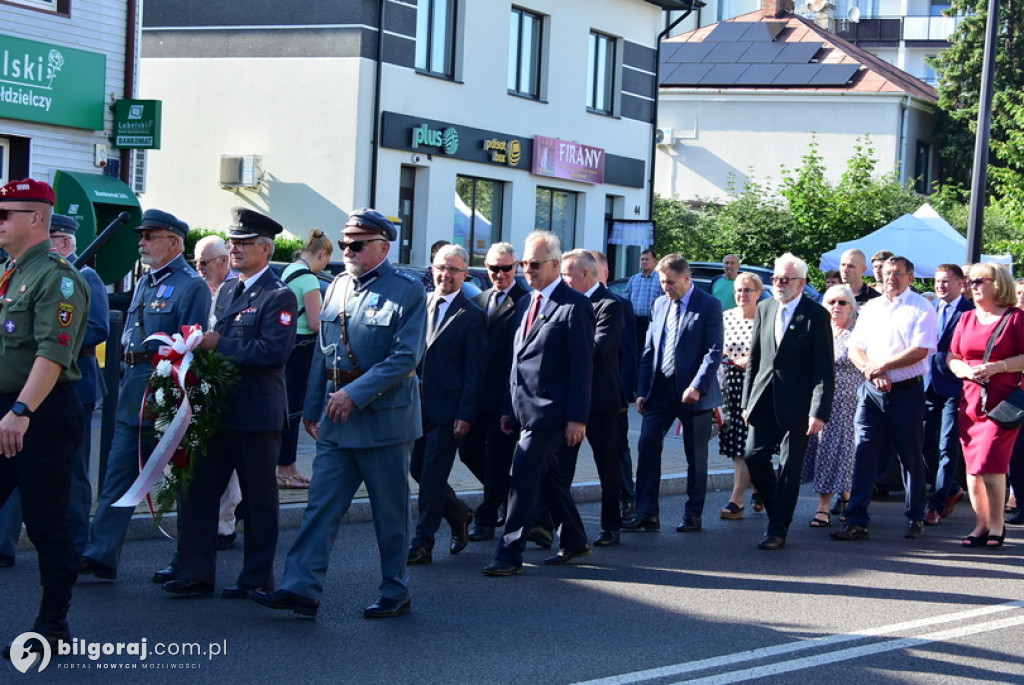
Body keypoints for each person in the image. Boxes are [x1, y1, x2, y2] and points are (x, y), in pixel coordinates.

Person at [252, 209, 425, 618]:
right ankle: (301, 587)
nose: (347, 251)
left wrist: (353, 394)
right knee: (320, 507)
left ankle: (395, 589)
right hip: (336, 418)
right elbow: (322, 353)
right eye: (345, 243)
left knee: (390, 513)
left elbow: (406, 357)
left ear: (383, 247)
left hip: (384, 418)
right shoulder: (337, 286)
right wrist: (313, 406)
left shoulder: (408, 290)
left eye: (357, 244)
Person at [165, 208, 297, 598]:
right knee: (199, 492)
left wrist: (220, 345)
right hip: (218, 412)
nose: (234, 250)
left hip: (256, 414)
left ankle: (256, 578)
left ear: (266, 248)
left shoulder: (279, 294)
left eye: (243, 243)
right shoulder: (229, 291)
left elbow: (272, 352)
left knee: (258, 502)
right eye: (232, 243)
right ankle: (195, 571)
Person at [80, 210, 209, 581]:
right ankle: (100, 554)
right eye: (142, 236)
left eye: (150, 236)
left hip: (167, 393)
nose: (142, 242)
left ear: (174, 242)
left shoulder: (191, 284)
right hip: (133, 389)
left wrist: (174, 398)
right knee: (117, 475)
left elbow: (190, 346)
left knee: (181, 482)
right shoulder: (145, 282)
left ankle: (187, 561)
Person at [0, 179, 89, 657]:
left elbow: (51, 355)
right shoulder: (11, 273)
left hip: (39, 411)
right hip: (8, 410)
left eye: (5, 214)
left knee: (45, 521)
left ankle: (52, 624)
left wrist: (20, 411)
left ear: (37, 219)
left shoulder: (58, 277)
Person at [482, 231, 595, 575]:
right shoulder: (525, 303)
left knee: (523, 475)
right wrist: (508, 406)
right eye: (522, 264)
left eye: (534, 264)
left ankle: (509, 553)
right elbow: (516, 361)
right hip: (522, 408)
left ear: (556, 265)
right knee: (550, 479)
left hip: (552, 411)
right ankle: (574, 539)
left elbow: (582, 367)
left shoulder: (575, 305)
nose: (526, 270)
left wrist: (577, 418)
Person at [0, 214, 108, 567]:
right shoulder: (17, 273)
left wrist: (49, 345)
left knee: (70, 479)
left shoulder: (80, 277)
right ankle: (5, 544)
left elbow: (94, 331)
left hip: (67, 389)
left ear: (66, 242)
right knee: (18, 477)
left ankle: (75, 545)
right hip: (22, 387)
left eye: (59, 237)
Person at [832, 256, 936, 542]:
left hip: (906, 392)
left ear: (911, 278)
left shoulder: (921, 307)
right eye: (888, 273)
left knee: (910, 456)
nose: (891, 277)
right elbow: (856, 347)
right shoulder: (872, 307)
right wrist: (869, 369)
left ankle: (915, 517)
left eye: (898, 273)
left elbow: (920, 350)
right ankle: (856, 519)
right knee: (863, 453)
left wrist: (883, 366)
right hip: (871, 392)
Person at [624, 254, 723, 534]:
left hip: (694, 393)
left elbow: (713, 351)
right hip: (661, 390)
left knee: (696, 455)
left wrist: (697, 385)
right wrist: (642, 391)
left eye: (670, 282)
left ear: (686, 278)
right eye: (662, 282)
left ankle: (693, 513)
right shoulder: (660, 304)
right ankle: (647, 513)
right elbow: (649, 351)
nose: (666, 287)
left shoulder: (709, 305)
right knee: (647, 445)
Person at [742, 254, 834, 550]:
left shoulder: (816, 315)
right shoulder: (765, 308)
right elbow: (755, 357)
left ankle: (777, 529)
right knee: (753, 455)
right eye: (776, 278)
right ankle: (777, 513)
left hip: (798, 405)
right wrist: (746, 402)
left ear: (802, 283)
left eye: (786, 279)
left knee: (789, 468)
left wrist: (818, 412)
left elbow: (823, 368)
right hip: (764, 400)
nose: (779, 284)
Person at [407, 244, 485, 565]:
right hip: (416, 409)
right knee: (418, 470)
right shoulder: (420, 305)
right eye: (441, 267)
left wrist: (466, 414)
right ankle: (459, 514)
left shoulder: (473, 316)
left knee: (433, 477)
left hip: (449, 412)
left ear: (465, 275)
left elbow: (475, 372)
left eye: (454, 270)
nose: (446, 274)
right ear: (432, 269)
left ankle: (422, 542)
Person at [947, 263, 1024, 548]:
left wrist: (999, 366)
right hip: (970, 400)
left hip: (1002, 402)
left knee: (991, 461)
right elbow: (952, 357)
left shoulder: (1016, 318)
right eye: (971, 280)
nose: (974, 285)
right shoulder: (965, 318)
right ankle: (980, 525)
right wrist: (964, 370)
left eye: (981, 280)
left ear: (998, 284)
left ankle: (997, 526)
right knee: (972, 467)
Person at [554, 249, 625, 546]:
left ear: (585, 274)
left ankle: (610, 526)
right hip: (570, 401)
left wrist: (560, 349)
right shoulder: (563, 302)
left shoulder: (610, 305)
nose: (562, 280)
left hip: (601, 403)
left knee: (608, 467)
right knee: (560, 467)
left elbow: (599, 349)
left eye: (567, 274)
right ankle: (560, 527)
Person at [462, 243, 527, 542]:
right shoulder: (480, 298)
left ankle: (485, 518)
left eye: (505, 268)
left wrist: (510, 403)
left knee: (498, 459)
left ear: (516, 267)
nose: (499, 274)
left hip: (506, 397)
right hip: (477, 395)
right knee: (469, 452)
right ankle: (510, 495)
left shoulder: (525, 301)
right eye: (493, 269)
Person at [278, 229, 333, 489]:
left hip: (287, 345)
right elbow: (314, 323)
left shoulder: (289, 270)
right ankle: (284, 472)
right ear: (322, 254)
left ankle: (290, 467)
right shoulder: (310, 280)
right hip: (303, 350)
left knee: (288, 410)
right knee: (295, 411)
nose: (324, 267)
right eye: (326, 261)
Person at [801, 284, 859, 527]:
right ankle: (846, 494)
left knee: (834, 452)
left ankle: (823, 507)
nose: (836, 307)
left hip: (846, 403)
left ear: (851, 309)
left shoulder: (858, 333)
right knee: (825, 451)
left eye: (842, 303)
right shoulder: (819, 330)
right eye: (831, 302)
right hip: (818, 400)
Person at [922, 264, 972, 526]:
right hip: (928, 386)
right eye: (937, 281)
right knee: (924, 444)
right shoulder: (930, 309)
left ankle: (937, 505)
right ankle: (951, 487)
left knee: (947, 447)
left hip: (956, 387)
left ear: (961, 284)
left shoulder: (970, 313)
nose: (940, 286)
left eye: (945, 282)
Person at [592, 251, 639, 522]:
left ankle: (627, 498)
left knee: (617, 448)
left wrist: (624, 394)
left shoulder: (620, 305)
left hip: (612, 392)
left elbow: (628, 353)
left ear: (605, 274)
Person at [717, 272, 763, 520]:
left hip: (756, 387)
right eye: (738, 290)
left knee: (748, 445)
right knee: (737, 446)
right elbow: (716, 349)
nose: (741, 294)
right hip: (731, 387)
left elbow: (773, 351)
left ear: (758, 293)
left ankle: (737, 499)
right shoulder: (726, 318)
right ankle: (758, 489)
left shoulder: (765, 318)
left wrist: (751, 360)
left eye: (747, 290)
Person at [624, 249, 659, 361]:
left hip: (651, 321)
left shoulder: (660, 280)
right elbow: (627, 299)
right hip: (634, 321)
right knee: (634, 353)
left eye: (647, 259)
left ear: (654, 261)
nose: (644, 262)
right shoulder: (634, 279)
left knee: (648, 353)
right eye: (642, 259)